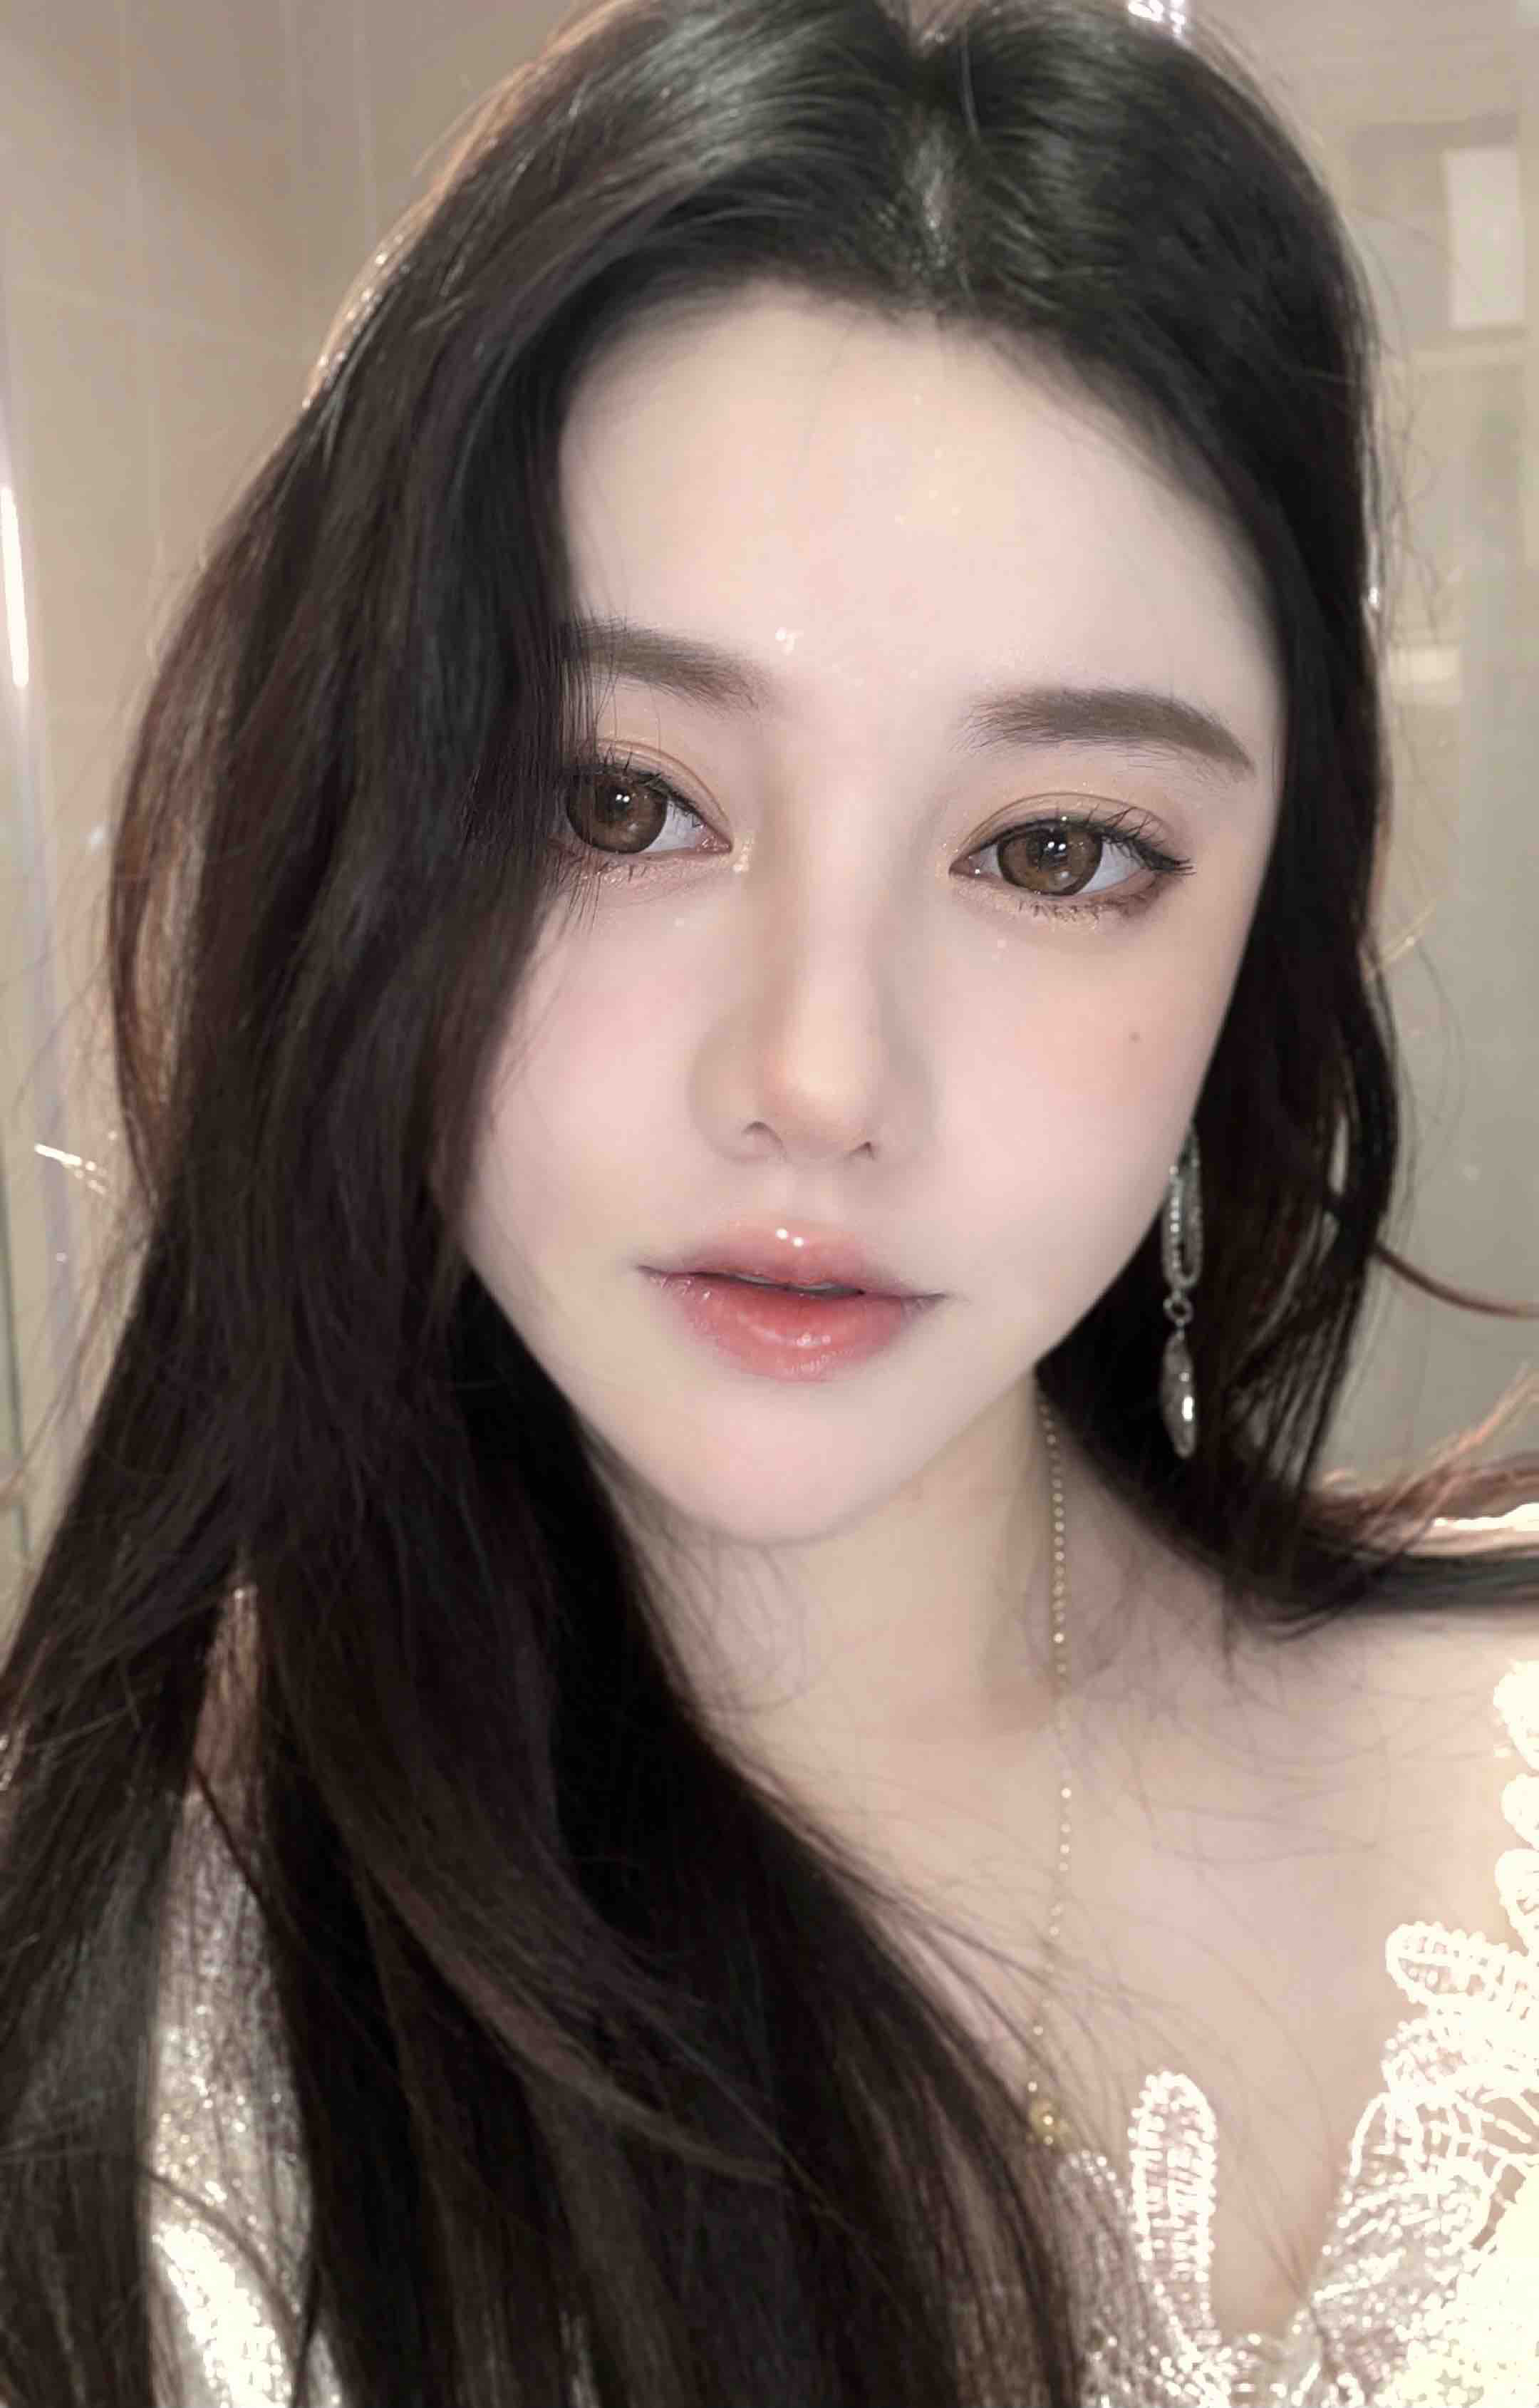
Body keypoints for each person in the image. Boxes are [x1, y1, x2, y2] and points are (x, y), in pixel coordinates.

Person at [1, 0, 1538, 2399]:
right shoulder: (142, 2061)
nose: (819, 1078)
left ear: (1267, 929)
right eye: (617, 802)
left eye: (1057, 849)